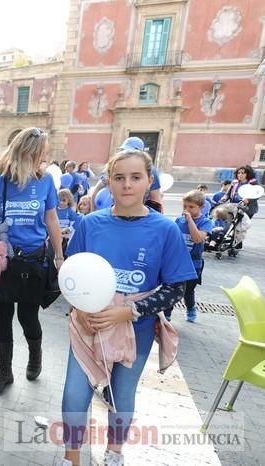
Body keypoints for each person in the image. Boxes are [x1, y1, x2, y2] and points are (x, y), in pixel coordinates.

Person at [58, 149, 196, 466]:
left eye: (136, 177)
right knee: (74, 392)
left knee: (122, 394)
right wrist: (79, 309)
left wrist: (128, 312)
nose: (127, 185)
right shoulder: (90, 225)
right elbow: (71, 274)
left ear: (149, 181)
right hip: (87, 323)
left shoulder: (165, 230)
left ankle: (114, 453)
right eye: (119, 178)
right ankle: (71, 457)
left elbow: (177, 288)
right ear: (109, 182)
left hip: (137, 328)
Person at [0, 127, 64, 394]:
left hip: (34, 261)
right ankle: (4, 372)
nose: (46, 158)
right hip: (4, 261)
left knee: (29, 317)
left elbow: (52, 219)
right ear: (29, 152)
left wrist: (60, 255)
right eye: (43, 153)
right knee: (3, 318)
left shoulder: (46, 182)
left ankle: (35, 357)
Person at [165, 190, 213, 323]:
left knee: (188, 291)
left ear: (202, 207)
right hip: (177, 263)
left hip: (193, 264)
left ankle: (191, 308)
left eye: (191, 207)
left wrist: (190, 220)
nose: (187, 210)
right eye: (185, 206)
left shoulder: (205, 222)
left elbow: (198, 238)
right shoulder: (179, 221)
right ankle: (167, 315)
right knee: (172, 289)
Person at [118, 137, 163, 211]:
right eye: (124, 150)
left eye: (136, 178)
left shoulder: (150, 170)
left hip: (141, 213)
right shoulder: (118, 166)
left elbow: (156, 198)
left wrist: (159, 218)